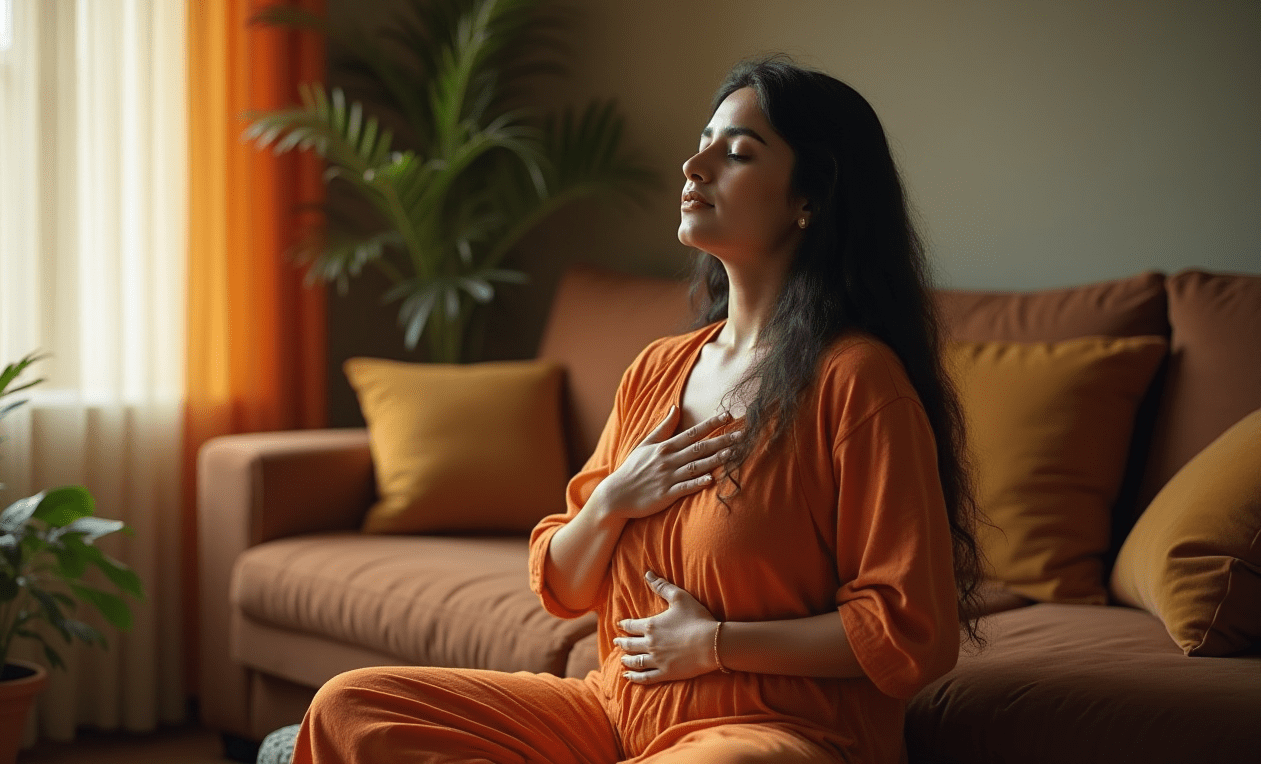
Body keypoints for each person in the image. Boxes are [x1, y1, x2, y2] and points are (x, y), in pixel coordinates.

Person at [291, 57, 983, 764]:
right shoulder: (659, 369)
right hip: (612, 714)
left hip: (774, 732)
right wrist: (615, 499)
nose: (695, 164)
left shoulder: (857, 381)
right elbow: (562, 581)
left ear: (811, 197)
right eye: (704, 140)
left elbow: (911, 633)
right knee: (350, 708)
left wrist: (715, 645)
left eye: (737, 152)